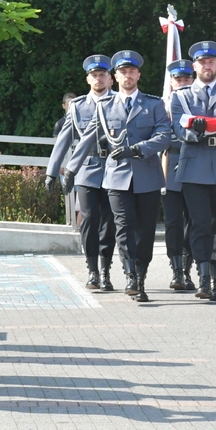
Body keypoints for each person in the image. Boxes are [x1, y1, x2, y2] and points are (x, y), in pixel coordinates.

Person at [64, 51, 169, 302]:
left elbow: (164, 135)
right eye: (123, 72)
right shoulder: (104, 106)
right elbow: (86, 139)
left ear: (138, 75)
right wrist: (70, 170)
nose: (127, 76)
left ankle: (141, 274)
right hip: (116, 177)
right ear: (116, 77)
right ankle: (130, 274)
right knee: (122, 227)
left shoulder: (154, 104)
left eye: (132, 71)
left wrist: (138, 149)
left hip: (147, 177)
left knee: (144, 231)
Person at [170, 40, 216, 301]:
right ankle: (202, 277)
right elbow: (179, 130)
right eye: (202, 62)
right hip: (194, 166)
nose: (207, 66)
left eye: (211, 62)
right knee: (200, 223)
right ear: (195, 66)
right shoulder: (181, 95)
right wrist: (195, 131)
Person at [46, 55, 117, 291]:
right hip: (86, 168)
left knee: (109, 222)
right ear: (88, 79)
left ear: (110, 79)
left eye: (103, 75)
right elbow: (63, 141)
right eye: (94, 75)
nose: (98, 79)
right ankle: (92, 270)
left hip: (114, 168)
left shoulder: (119, 102)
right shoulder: (77, 107)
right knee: (88, 219)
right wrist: (52, 173)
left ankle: (106, 270)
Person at [162, 60, 196, 291]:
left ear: (192, 80)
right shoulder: (160, 107)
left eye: (186, 79)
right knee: (173, 222)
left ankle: (187, 268)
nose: (182, 83)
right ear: (171, 82)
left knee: (195, 222)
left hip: (196, 167)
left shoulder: (199, 104)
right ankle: (176, 270)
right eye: (178, 79)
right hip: (170, 167)